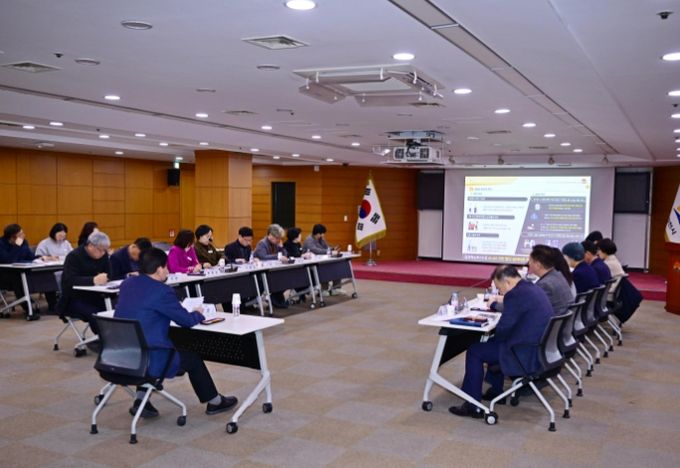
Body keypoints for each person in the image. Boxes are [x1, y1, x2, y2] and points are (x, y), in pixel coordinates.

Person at [114, 248, 238, 418]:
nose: (168, 271)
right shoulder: (162, 291)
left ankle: (140, 400)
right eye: (166, 267)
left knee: (144, 343)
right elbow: (186, 321)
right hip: (151, 356)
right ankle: (215, 401)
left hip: (123, 353)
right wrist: (198, 313)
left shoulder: (127, 284)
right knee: (192, 358)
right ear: (159, 269)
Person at [449, 265, 553, 418]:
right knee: (491, 343)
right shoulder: (532, 288)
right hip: (538, 347)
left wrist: (489, 327)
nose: (500, 292)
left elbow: (504, 329)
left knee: (475, 351)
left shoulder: (515, 295)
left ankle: (472, 405)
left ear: (507, 282)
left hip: (523, 352)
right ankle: (496, 391)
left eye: (499, 288)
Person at [58, 231, 112, 334]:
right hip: (74, 299)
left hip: (97, 295)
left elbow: (110, 273)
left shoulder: (103, 255)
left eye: (105, 251)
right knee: (97, 314)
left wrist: (107, 277)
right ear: (90, 245)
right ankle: (105, 339)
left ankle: (116, 336)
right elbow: (70, 280)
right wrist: (93, 280)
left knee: (117, 308)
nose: (103, 253)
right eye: (100, 250)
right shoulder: (74, 256)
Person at [0, 224, 56, 315]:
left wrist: (41, 258)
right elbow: (9, 260)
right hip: (5, 274)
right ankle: (29, 310)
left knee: (47, 274)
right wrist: (17, 246)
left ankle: (53, 306)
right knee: (18, 278)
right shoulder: (1, 244)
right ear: (13, 237)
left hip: (23, 270)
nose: (23, 235)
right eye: (20, 234)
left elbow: (30, 256)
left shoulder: (23, 242)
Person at [35, 222, 73, 312]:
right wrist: (48, 258)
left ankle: (69, 302)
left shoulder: (66, 243)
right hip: (49, 270)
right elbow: (38, 257)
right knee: (53, 277)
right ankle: (54, 304)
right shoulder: (45, 243)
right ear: (54, 233)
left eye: (63, 236)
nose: (61, 238)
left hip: (63, 267)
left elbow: (72, 255)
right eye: (60, 235)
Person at [527, 245, 575, 314]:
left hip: (554, 319)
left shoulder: (545, 284)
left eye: (530, 261)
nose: (528, 263)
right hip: (564, 319)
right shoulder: (558, 275)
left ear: (538, 265)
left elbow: (532, 308)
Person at [253, 224, 289, 308]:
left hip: (272, 271)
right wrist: (278, 256)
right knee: (281, 279)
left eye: (280, 238)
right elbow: (263, 257)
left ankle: (276, 299)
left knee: (287, 278)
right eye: (277, 238)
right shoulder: (262, 244)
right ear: (270, 235)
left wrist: (281, 247)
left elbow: (285, 255)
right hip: (261, 273)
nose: (279, 240)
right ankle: (275, 299)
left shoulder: (276, 244)